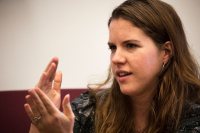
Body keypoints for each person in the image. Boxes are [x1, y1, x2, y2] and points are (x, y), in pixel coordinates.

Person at [24, 0, 200, 132]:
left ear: (166, 52)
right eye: (113, 47)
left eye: (130, 45)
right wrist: (40, 120)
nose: (116, 58)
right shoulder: (91, 107)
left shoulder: (193, 116)